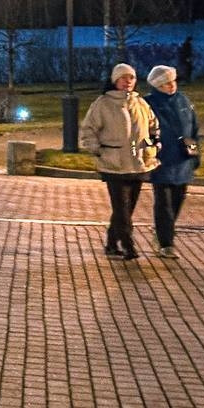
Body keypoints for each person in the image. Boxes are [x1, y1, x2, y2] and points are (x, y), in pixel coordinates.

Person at [80, 63, 160, 260]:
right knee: (121, 208)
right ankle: (128, 245)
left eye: (131, 78)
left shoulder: (140, 103)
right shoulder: (103, 104)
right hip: (113, 164)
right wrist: (96, 149)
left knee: (127, 207)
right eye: (123, 78)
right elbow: (89, 129)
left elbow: (153, 126)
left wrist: (153, 144)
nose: (127, 81)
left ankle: (111, 241)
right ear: (114, 80)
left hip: (138, 163)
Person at [144, 64, 200, 259]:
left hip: (182, 160)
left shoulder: (183, 100)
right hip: (161, 160)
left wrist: (195, 154)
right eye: (166, 83)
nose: (171, 86)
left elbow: (193, 128)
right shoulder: (148, 103)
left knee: (177, 200)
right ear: (157, 85)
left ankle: (163, 233)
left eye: (173, 81)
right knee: (164, 203)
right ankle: (166, 243)